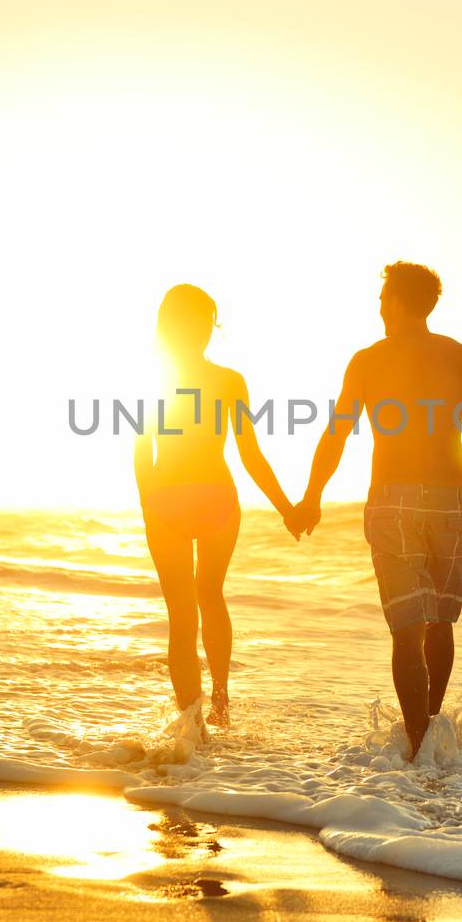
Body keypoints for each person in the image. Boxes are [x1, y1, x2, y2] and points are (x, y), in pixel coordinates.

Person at [292, 262, 462, 760]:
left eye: (381, 300)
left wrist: (312, 496)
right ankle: (432, 739)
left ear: (393, 302)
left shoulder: (369, 361)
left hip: (393, 500)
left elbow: (336, 432)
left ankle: (416, 752)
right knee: (440, 623)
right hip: (452, 500)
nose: (379, 309)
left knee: (407, 630)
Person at [135, 284, 302, 727]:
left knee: (182, 612)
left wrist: (147, 506)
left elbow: (142, 451)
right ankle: (221, 702)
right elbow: (250, 454)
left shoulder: (155, 379)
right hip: (216, 497)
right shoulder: (229, 381)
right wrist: (287, 507)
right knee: (209, 595)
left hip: (167, 497)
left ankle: (192, 727)